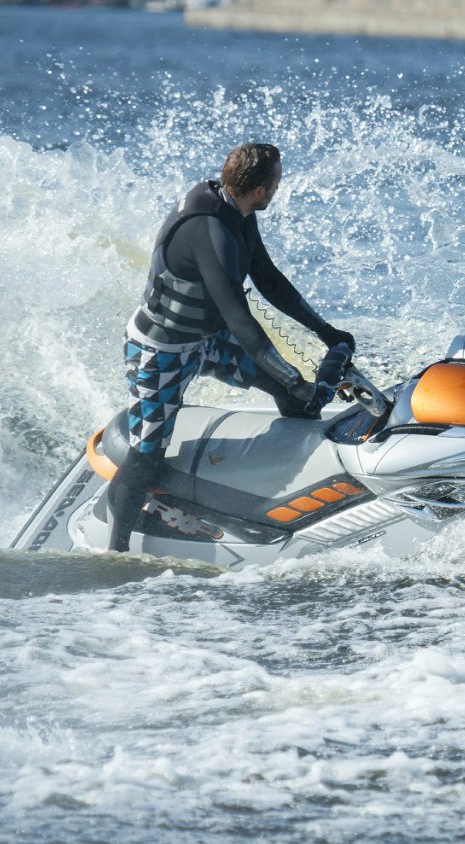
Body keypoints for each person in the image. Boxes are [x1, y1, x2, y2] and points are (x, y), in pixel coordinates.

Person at [106, 143, 355, 552]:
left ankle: (294, 495)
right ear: (259, 189)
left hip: (207, 342)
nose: (278, 189)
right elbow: (240, 320)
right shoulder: (208, 230)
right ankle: (115, 551)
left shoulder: (237, 212)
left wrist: (326, 332)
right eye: (276, 183)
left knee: (293, 398)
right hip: (161, 354)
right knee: (148, 451)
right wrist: (291, 377)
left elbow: (269, 280)